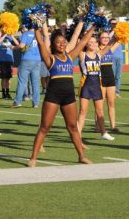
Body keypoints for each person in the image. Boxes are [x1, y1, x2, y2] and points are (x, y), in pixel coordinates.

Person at [28, 23, 95, 167]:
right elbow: (40, 43)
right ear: (53, 44)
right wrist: (35, 27)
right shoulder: (50, 58)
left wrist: (94, 25)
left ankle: (81, 156)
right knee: (45, 127)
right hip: (53, 96)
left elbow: (83, 41)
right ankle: (33, 157)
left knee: (73, 127)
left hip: (69, 97)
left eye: (63, 42)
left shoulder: (70, 57)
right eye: (58, 42)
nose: (61, 44)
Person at [77, 36, 116, 142]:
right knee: (83, 111)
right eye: (91, 42)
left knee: (100, 111)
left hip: (97, 86)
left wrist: (116, 36)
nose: (93, 44)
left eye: (95, 42)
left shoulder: (99, 55)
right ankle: (78, 134)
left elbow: (109, 45)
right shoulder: (82, 55)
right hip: (86, 86)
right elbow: (78, 45)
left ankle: (103, 133)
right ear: (86, 44)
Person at [12, 27, 41, 108]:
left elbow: (21, 46)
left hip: (26, 59)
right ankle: (36, 103)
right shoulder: (39, 34)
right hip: (37, 59)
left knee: (22, 82)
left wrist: (13, 47)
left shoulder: (26, 34)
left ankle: (18, 101)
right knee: (35, 83)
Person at [98, 31, 121, 132]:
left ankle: (113, 126)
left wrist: (126, 30)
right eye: (103, 37)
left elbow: (120, 40)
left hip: (110, 76)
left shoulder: (110, 48)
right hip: (100, 76)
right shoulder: (96, 49)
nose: (106, 39)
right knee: (100, 103)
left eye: (107, 37)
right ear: (99, 39)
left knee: (111, 103)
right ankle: (98, 126)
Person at [0, 34, 19, 99]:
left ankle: (8, 92)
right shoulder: (0, 37)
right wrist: (5, 34)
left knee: (8, 78)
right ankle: (4, 93)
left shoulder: (10, 37)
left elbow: (18, 44)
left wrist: (12, 35)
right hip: (2, 60)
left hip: (10, 60)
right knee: (4, 77)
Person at [109, 19, 123, 97]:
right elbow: (108, 38)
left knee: (118, 76)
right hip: (111, 57)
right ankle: (111, 92)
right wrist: (114, 30)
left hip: (120, 57)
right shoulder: (108, 32)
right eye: (112, 23)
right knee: (112, 75)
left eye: (115, 23)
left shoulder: (120, 33)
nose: (114, 24)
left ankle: (117, 92)